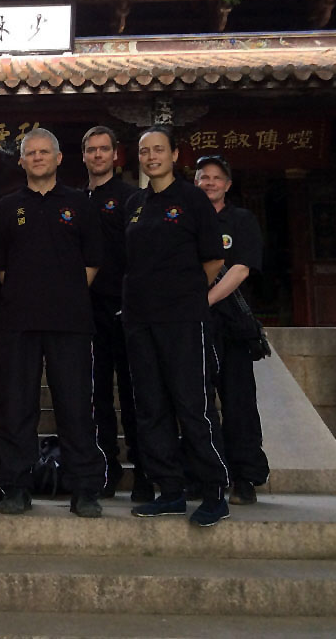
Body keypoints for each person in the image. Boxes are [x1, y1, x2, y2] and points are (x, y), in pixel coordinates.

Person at [0, 127, 108, 518]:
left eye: (45, 152)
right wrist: (31, 294)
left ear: (59, 158)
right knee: (16, 407)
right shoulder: (6, 207)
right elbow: (0, 267)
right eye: (31, 153)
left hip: (70, 322)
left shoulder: (80, 203)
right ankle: (17, 486)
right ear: (21, 161)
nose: (38, 158)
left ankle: (84, 489)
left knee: (75, 406)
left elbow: (92, 262)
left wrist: (64, 294)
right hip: (19, 322)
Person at [124, 125, 230, 527]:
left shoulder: (192, 199)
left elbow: (214, 259)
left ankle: (214, 490)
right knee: (151, 408)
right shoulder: (136, 203)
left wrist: (183, 295)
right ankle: (169, 490)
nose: (151, 157)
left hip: (183, 321)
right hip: (140, 320)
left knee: (193, 405)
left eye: (158, 150)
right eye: (144, 151)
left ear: (174, 155)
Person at [81, 125, 152, 503]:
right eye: (91, 150)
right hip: (86, 312)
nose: (97, 155)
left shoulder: (130, 197)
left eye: (104, 150)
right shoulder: (75, 200)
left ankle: (144, 473)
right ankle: (106, 470)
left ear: (115, 155)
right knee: (96, 397)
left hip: (125, 309)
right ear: (83, 156)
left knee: (133, 394)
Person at [195, 154, 270, 505]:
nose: (209, 182)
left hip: (232, 326)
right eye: (202, 177)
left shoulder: (240, 220)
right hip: (193, 327)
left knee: (238, 402)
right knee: (198, 405)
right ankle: (208, 474)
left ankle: (244, 477)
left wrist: (204, 301)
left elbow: (241, 269)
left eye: (216, 177)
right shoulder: (187, 220)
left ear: (227, 184)